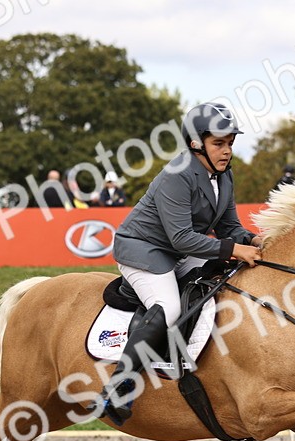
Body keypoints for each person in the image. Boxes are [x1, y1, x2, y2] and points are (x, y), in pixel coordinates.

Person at [96, 102, 263, 424]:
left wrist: (255, 241)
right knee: (168, 306)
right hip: (143, 249)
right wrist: (233, 249)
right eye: (219, 144)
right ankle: (120, 385)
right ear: (195, 143)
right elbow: (182, 238)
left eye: (230, 143)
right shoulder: (177, 174)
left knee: (223, 279)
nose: (227, 151)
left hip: (178, 250)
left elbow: (229, 227)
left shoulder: (224, 176)